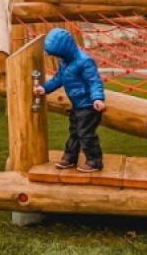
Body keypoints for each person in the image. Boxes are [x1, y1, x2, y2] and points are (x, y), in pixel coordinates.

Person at [32, 27, 107, 172]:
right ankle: (70, 157)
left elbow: (94, 81)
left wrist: (97, 98)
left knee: (86, 134)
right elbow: (59, 78)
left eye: (57, 54)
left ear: (65, 50)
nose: (56, 57)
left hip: (89, 106)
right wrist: (45, 88)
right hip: (77, 105)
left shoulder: (85, 61)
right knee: (74, 131)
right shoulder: (64, 62)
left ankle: (95, 161)